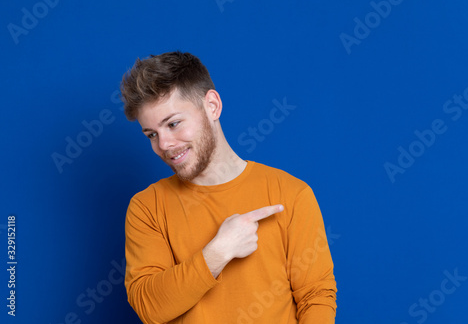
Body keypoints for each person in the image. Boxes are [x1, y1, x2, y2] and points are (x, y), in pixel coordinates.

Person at [120, 51, 337, 324]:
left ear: (212, 105)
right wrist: (218, 253)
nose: (163, 145)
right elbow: (150, 308)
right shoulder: (147, 207)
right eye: (151, 134)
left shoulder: (291, 194)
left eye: (173, 124)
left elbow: (316, 297)